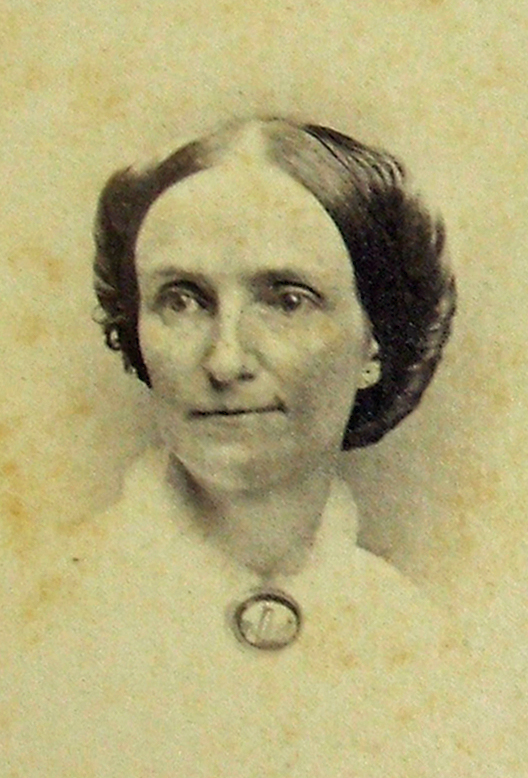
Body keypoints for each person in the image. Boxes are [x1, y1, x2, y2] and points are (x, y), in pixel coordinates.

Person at [4, 117, 483, 777]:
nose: (225, 360)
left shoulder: (426, 651)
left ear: (376, 340)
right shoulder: (35, 624)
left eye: (286, 300)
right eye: (182, 300)